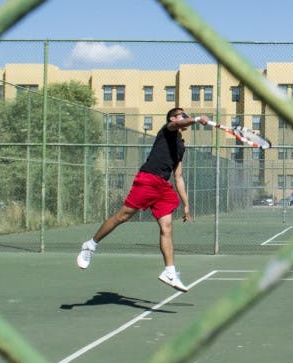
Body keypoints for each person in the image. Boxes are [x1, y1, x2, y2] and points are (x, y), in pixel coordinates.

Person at [76, 108, 209, 291]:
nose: (185, 118)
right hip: (148, 179)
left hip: (162, 186)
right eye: (182, 115)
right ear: (173, 118)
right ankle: (90, 245)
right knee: (122, 216)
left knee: (167, 227)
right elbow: (178, 124)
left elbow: (178, 177)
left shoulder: (181, 145)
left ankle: (169, 272)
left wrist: (186, 204)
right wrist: (195, 119)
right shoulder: (167, 130)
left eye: (186, 116)